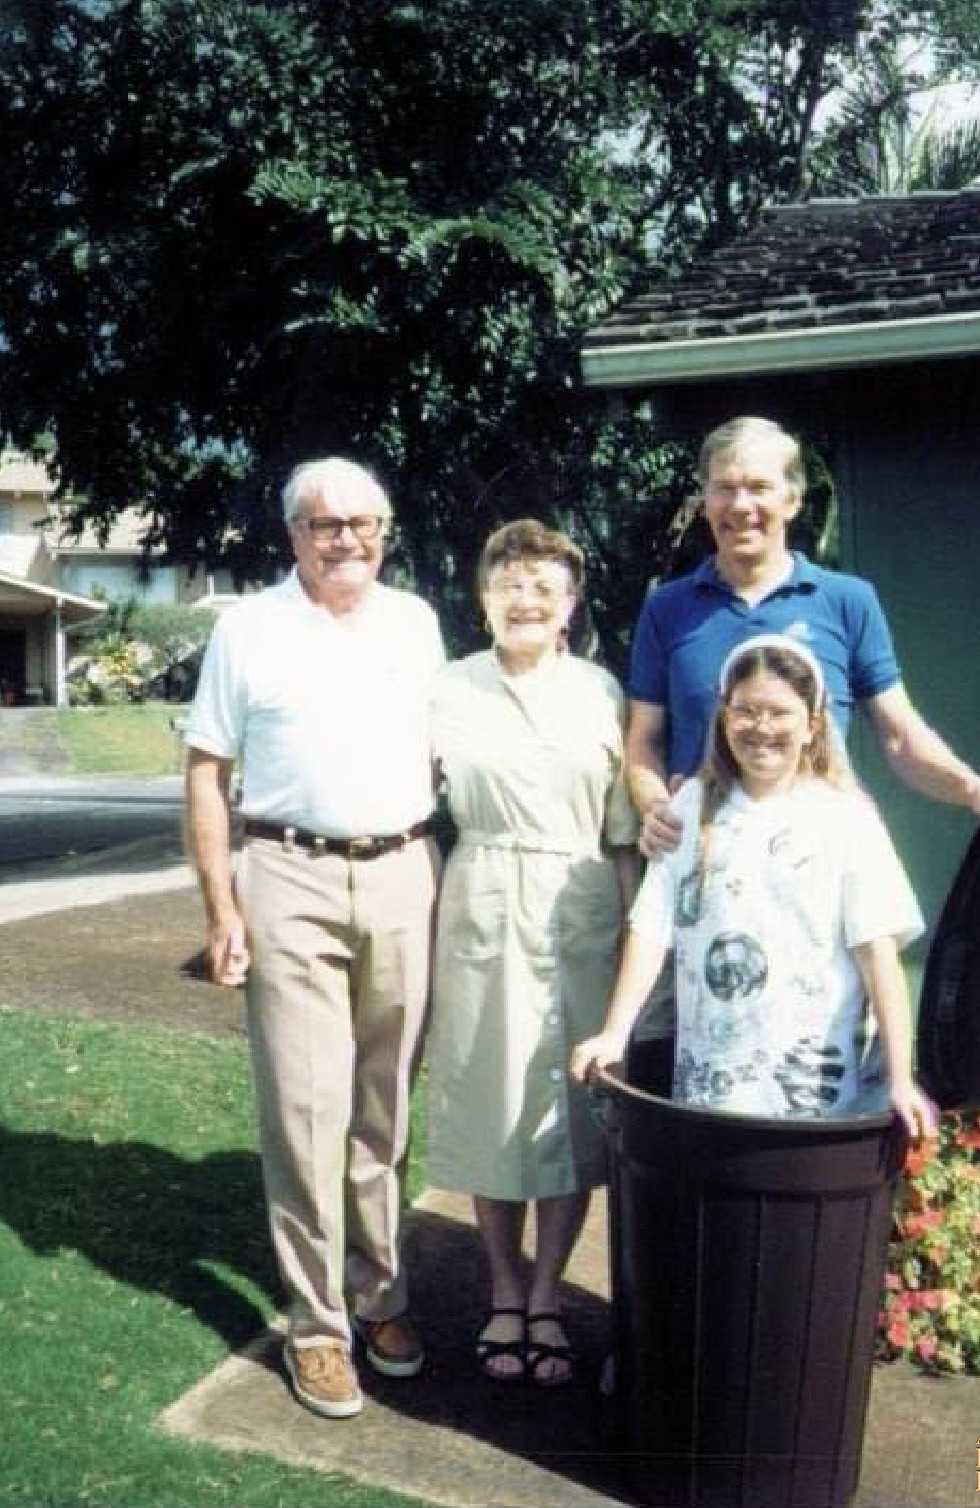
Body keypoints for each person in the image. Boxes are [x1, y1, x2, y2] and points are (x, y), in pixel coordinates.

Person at [183, 458, 444, 1420]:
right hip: (288, 873)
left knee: (386, 1106)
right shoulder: (248, 629)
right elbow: (206, 773)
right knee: (304, 1109)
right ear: (293, 533)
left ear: (384, 531)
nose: (346, 540)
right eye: (326, 524)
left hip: (405, 869)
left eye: (363, 523)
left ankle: (380, 1298)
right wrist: (223, 909)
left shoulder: (416, 623)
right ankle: (317, 1325)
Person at [423, 519, 639, 1386]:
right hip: (479, 898)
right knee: (491, 1102)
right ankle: (502, 1289)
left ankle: (547, 1296)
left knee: (568, 1112)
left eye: (545, 587)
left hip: (580, 906)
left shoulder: (600, 691)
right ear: (483, 599)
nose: (527, 600)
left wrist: (636, 944)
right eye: (510, 584)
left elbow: (621, 832)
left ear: (570, 604)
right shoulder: (448, 689)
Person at [572, 634, 937, 1140]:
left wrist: (900, 1080)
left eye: (779, 712)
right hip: (710, 1093)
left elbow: (879, 957)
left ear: (812, 725)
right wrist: (614, 1033)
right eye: (745, 711)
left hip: (812, 1099)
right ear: (724, 717)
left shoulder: (845, 818)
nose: (761, 727)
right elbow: (651, 931)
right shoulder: (690, 807)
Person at [627, 415, 980, 859]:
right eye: (724, 488)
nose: (741, 506)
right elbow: (644, 741)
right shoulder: (666, 608)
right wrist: (658, 809)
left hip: (818, 855)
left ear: (792, 500)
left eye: (759, 487)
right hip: (705, 853)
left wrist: (973, 788)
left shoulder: (846, 601)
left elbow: (900, 735)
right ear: (705, 501)